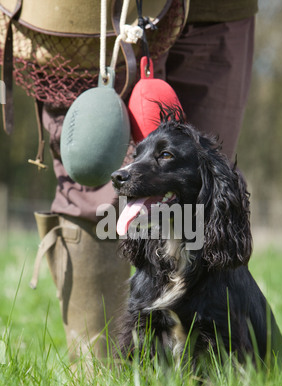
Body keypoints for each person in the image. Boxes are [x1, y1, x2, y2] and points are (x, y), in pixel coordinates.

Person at [0, 0, 258, 365]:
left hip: (216, 10)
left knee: (201, 180)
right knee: (93, 186)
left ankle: (208, 380)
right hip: (89, 12)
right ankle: (100, 381)